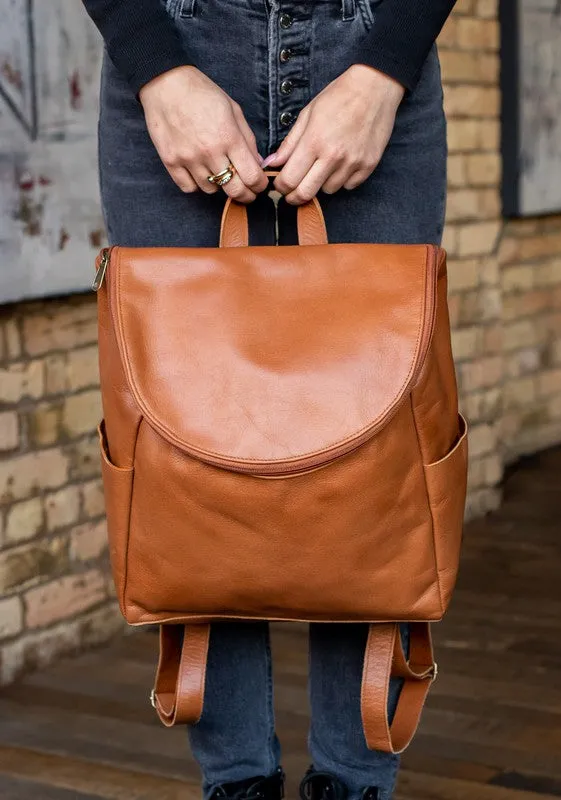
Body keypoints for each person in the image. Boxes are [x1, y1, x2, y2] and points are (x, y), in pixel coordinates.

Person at [82, 0, 455, 798]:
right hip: (172, 51)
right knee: (184, 459)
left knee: (378, 463)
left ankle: (355, 786)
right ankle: (235, 784)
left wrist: (384, 68)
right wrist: (157, 67)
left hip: (373, 47)